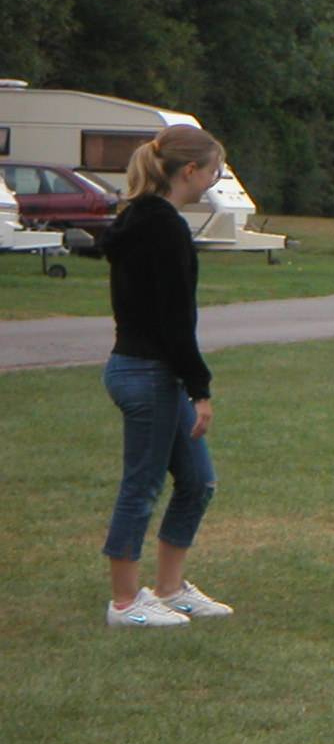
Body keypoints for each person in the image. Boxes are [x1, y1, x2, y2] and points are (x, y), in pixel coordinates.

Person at [99, 125, 233, 627]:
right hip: (149, 373)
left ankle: (171, 588)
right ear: (190, 171)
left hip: (150, 371)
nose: (215, 179)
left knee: (197, 481)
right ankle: (126, 604)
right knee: (142, 486)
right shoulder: (163, 227)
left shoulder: (141, 219)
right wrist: (200, 389)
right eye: (213, 169)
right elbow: (175, 320)